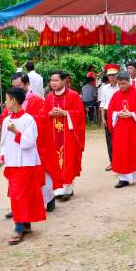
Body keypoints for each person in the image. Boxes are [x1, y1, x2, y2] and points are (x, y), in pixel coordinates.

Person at [0, 87, 46, 245]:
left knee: (19, 195)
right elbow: (4, 144)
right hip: (12, 164)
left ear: (14, 101)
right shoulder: (6, 121)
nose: (5, 102)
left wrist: (16, 132)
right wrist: (1, 160)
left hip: (26, 163)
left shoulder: (28, 119)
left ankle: (18, 227)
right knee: (18, 195)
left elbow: (29, 142)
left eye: (7, 99)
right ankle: (24, 224)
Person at [2, 73, 58, 213]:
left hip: (36, 142)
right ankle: (18, 204)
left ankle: (48, 199)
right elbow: (5, 116)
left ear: (27, 84)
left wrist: (25, 121)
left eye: (19, 86)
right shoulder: (11, 101)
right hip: (15, 145)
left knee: (41, 175)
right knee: (16, 176)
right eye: (14, 86)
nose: (17, 89)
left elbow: (43, 118)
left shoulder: (37, 100)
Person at [107, 71, 136, 188]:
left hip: (134, 129)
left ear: (129, 81)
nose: (121, 86)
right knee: (121, 152)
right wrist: (117, 114)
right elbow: (110, 111)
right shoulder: (116, 95)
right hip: (120, 130)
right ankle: (123, 179)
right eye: (119, 84)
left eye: (123, 83)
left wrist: (132, 114)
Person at [44, 71, 86, 200]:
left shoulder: (73, 96)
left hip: (68, 135)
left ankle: (68, 189)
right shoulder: (49, 97)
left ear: (63, 81)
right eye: (52, 80)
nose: (54, 83)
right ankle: (57, 190)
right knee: (55, 161)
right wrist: (49, 114)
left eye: (56, 80)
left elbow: (80, 114)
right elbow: (44, 114)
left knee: (67, 161)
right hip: (53, 135)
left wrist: (66, 113)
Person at [99, 64, 120, 171]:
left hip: (119, 114)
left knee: (120, 139)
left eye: (114, 75)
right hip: (108, 114)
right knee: (109, 139)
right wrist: (103, 118)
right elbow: (102, 104)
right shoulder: (104, 88)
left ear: (117, 75)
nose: (112, 77)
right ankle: (112, 162)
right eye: (110, 75)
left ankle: (120, 161)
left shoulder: (121, 87)